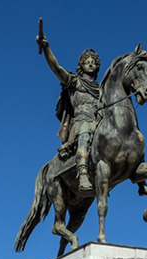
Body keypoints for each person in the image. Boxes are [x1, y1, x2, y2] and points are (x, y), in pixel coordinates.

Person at [36, 28, 101, 192]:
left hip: (97, 122)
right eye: (87, 62)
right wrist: (46, 48)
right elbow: (56, 68)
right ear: (81, 66)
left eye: (93, 62)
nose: (91, 64)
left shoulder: (101, 90)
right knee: (85, 133)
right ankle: (83, 173)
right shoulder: (74, 82)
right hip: (80, 123)